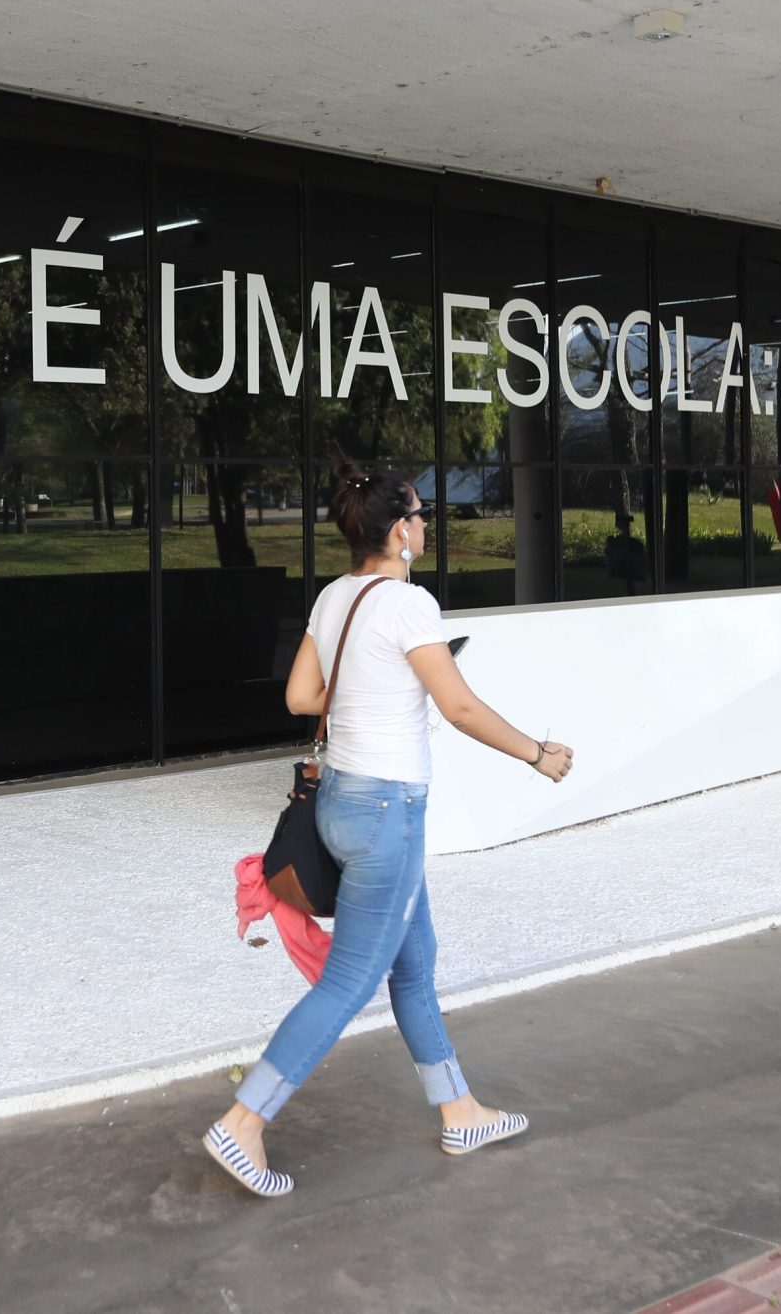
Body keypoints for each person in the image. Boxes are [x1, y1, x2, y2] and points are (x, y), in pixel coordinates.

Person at [202, 460, 574, 1199]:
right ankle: (244, 1122)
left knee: (414, 961)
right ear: (400, 530)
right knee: (352, 980)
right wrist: (538, 754)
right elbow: (460, 708)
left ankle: (460, 1110)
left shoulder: (335, 597)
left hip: (340, 799)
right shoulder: (408, 605)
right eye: (420, 513)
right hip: (386, 814)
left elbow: (301, 695)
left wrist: (369, 681)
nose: (426, 524)